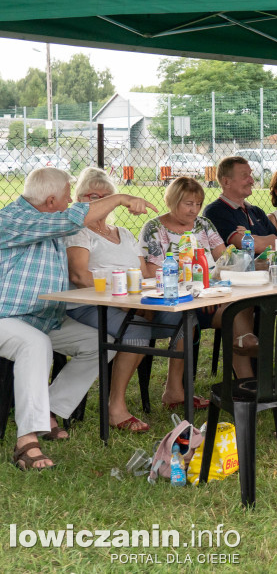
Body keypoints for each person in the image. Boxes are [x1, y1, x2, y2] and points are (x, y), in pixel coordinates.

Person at [0, 168, 156, 470]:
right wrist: (121, 197)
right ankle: (26, 441)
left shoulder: (52, 222)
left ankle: (48, 409)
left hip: (43, 317)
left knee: (101, 343)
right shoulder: (13, 219)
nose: (71, 200)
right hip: (6, 317)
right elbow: (71, 219)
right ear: (49, 201)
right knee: (35, 344)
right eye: (67, 196)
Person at [65, 168, 180, 433]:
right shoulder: (78, 231)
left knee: (181, 317)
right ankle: (115, 407)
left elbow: (145, 274)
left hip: (132, 303)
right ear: (77, 198)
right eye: (90, 195)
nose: (97, 199)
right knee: (137, 330)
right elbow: (80, 276)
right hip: (88, 305)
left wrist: (155, 291)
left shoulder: (125, 233)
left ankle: (176, 391)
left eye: (105, 195)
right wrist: (124, 299)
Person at [139, 176, 258, 381]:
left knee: (240, 305)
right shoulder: (154, 229)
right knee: (235, 314)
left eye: (198, 204)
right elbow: (154, 274)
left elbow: (225, 259)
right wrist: (200, 291)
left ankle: (246, 376)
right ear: (172, 201)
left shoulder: (203, 224)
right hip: (178, 301)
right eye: (188, 204)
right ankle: (246, 373)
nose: (194, 210)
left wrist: (213, 291)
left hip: (211, 298)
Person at [203, 156, 277, 254]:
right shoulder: (215, 211)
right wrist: (268, 239)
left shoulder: (256, 211)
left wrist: (251, 237)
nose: (251, 181)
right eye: (244, 176)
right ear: (226, 182)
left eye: (250, 175)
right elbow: (251, 246)